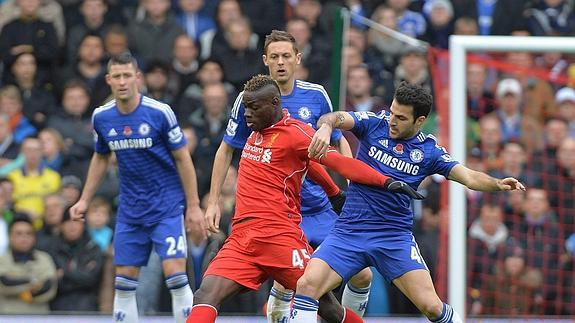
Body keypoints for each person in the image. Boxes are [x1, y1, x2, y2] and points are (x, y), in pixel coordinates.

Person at [187, 74, 422, 323]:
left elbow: (340, 163)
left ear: (275, 103)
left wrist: (385, 181)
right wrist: (332, 192)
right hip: (243, 239)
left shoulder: (296, 134)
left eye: (254, 108)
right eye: (246, 108)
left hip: (279, 238)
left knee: (328, 308)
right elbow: (307, 165)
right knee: (205, 294)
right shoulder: (256, 130)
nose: (247, 114)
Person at [291, 82, 526, 323]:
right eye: (392, 112)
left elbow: (469, 176)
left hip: (393, 239)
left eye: (401, 117)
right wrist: (326, 126)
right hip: (349, 231)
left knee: (433, 307)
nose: (392, 120)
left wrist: (497, 184)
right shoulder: (375, 123)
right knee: (307, 285)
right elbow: (336, 117)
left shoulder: (429, 151)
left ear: (420, 120)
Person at [205, 29, 374, 322]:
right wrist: (213, 201)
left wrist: (351, 189)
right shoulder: (252, 101)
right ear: (265, 61)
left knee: (362, 274)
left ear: (297, 59)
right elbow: (226, 150)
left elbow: (337, 142)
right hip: (279, 216)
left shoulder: (316, 95)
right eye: (274, 57)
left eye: (286, 56)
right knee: (295, 290)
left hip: (318, 206)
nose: (281, 62)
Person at [69, 52, 207, 323]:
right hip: (130, 211)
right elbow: (100, 157)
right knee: (124, 283)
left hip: (166, 206)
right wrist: (84, 199)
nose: (122, 81)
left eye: (127, 75)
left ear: (137, 78)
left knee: (176, 276)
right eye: (117, 76)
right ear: (109, 80)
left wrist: (193, 206)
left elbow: (183, 158)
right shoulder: (102, 117)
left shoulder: (159, 113)